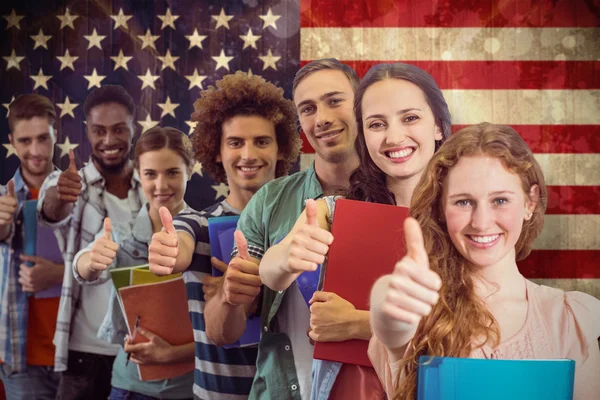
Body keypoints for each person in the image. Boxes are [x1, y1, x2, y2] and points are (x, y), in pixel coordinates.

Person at [258, 62, 451, 398]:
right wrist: (288, 257)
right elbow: (270, 272)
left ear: (438, 125)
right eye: (377, 124)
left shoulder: (468, 219)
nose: (394, 137)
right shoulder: (338, 211)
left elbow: (479, 330)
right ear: (364, 133)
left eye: (410, 118)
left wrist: (357, 324)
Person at [368, 122, 600, 400]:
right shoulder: (419, 309)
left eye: (500, 200)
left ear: (530, 202)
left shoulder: (574, 318)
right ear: (441, 208)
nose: (481, 223)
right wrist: (386, 306)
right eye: (463, 202)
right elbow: (391, 330)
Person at [147, 71, 301, 398]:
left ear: (281, 149)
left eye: (261, 141)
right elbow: (180, 246)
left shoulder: (302, 227)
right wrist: (170, 250)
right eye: (235, 142)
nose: (248, 155)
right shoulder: (196, 224)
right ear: (216, 151)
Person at [37, 85, 145, 400]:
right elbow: (52, 209)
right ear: (87, 131)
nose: (108, 140)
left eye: (118, 130)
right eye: (99, 131)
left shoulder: (152, 187)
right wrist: (62, 195)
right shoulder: (68, 182)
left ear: (133, 129)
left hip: (138, 350)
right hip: (83, 355)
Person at [73, 126, 195, 400]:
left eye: (172, 172)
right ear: (139, 174)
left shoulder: (207, 231)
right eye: (151, 174)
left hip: (194, 388)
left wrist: (173, 354)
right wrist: (91, 261)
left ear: (191, 169)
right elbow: (83, 268)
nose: (161, 185)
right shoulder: (121, 234)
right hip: (131, 387)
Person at [0, 94, 63, 399]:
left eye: (43, 138)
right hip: (20, 360)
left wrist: (59, 275)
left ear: (56, 134)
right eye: (25, 141)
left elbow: (109, 269)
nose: (35, 151)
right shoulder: (1, 198)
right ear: (12, 141)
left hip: (79, 357)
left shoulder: (82, 195)